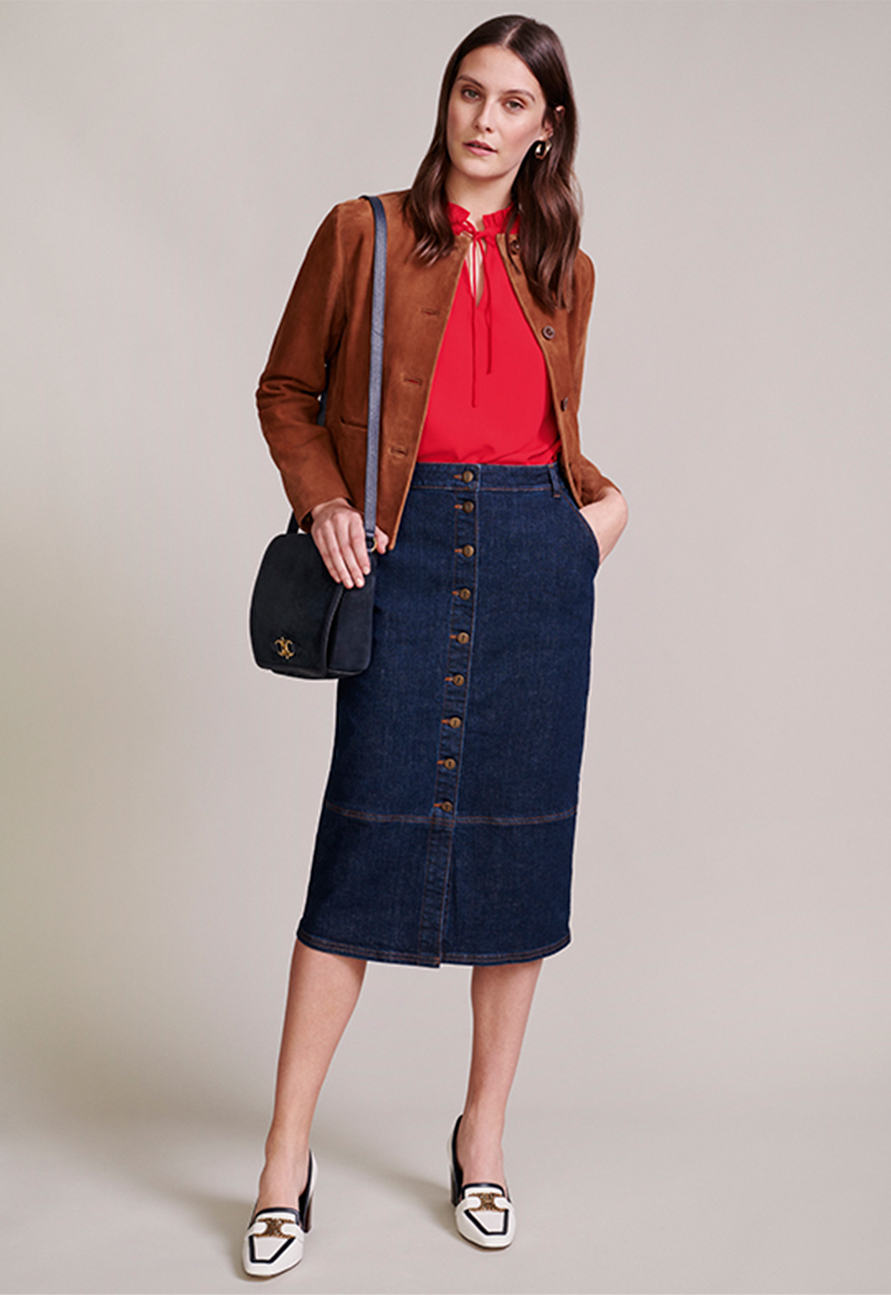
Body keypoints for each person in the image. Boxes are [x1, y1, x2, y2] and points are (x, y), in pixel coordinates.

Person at [243, 13, 628, 1276]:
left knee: (518, 870)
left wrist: (596, 519)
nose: (483, 120)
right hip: (405, 555)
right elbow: (285, 391)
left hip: (534, 564)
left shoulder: (566, 268)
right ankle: (283, 1157)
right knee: (359, 854)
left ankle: (484, 1136)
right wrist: (324, 501)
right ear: (447, 101)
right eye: (470, 92)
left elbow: (554, 432)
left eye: (513, 102)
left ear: (545, 127)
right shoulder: (361, 232)